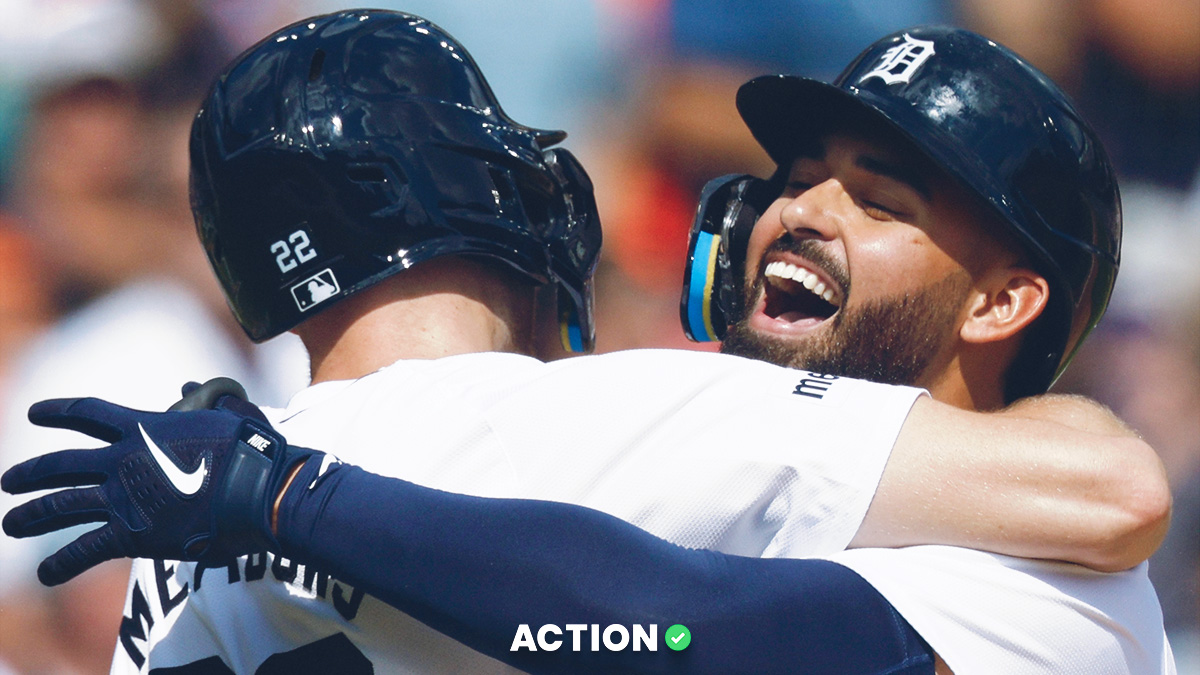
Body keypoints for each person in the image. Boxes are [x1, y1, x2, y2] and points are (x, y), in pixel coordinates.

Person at [1, 12, 1173, 674]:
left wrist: (287, 497)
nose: (799, 210)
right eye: (799, 178)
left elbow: (678, 628)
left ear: (1000, 303)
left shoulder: (1067, 594)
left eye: (881, 200)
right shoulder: (629, 441)